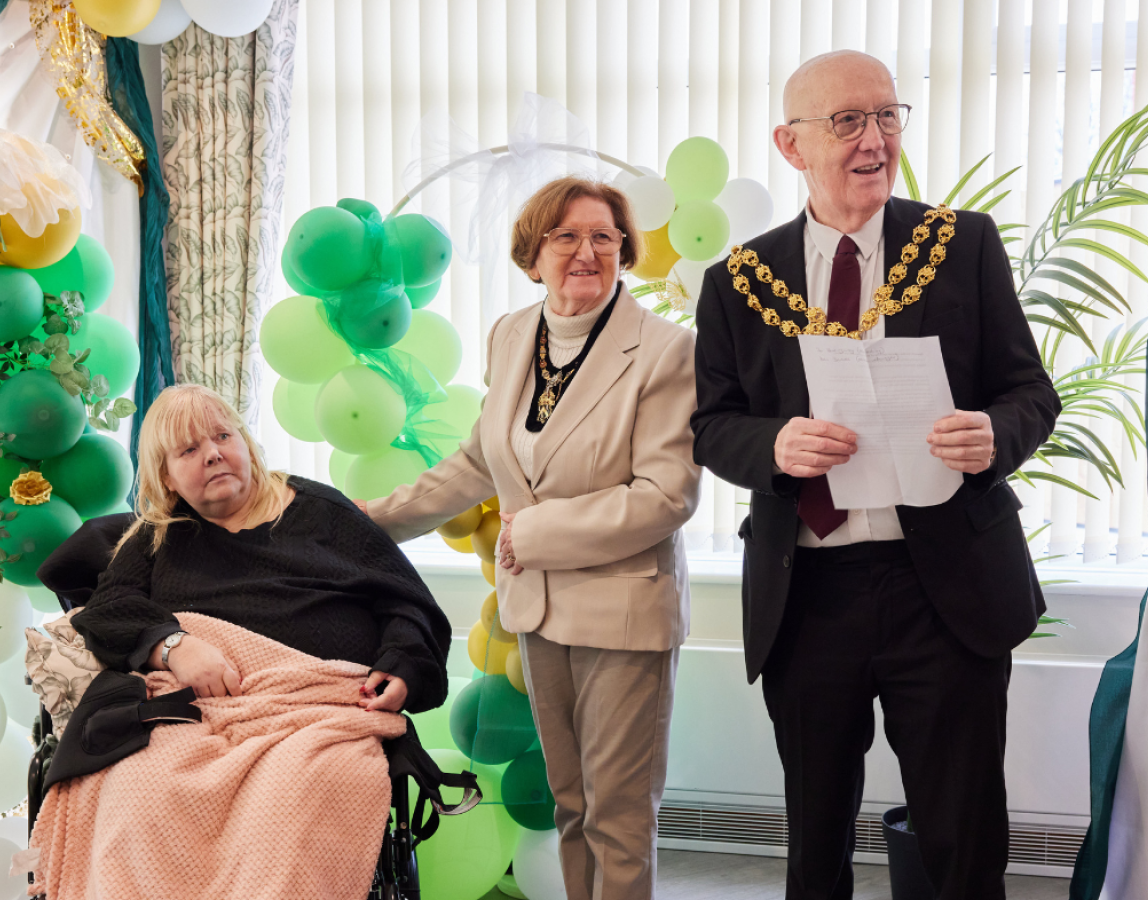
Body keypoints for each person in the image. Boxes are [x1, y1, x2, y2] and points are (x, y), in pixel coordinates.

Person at [690, 51, 1060, 900]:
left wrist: (993, 434)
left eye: (887, 116)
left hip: (947, 587)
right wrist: (774, 448)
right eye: (848, 121)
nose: (874, 140)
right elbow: (712, 427)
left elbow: (1030, 392)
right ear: (792, 146)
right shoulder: (738, 283)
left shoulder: (961, 244)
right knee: (816, 844)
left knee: (964, 839)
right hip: (808, 592)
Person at [362, 176, 701, 900]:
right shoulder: (513, 335)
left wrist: (535, 531)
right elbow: (483, 460)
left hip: (623, 615)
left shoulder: (667, 351)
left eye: (604, 237)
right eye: (566, 236)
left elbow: (665, 496)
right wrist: (370, 518)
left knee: (618, 816)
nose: (587, 252)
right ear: (533, 252)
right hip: (538, 610)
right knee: (569, 805)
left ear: (625, 250)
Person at [29, 383, 451, 899]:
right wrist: (174, 646)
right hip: (195, 713)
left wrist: (405, 663)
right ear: (167, 475)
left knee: (298, 798)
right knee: (138, 793)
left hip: (317, 712)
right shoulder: (158, 534)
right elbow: (109, 610)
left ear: (245, 442)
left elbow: (408, 602)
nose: (212, 454)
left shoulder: (321, 513)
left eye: (222, 436)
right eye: (188, 450)